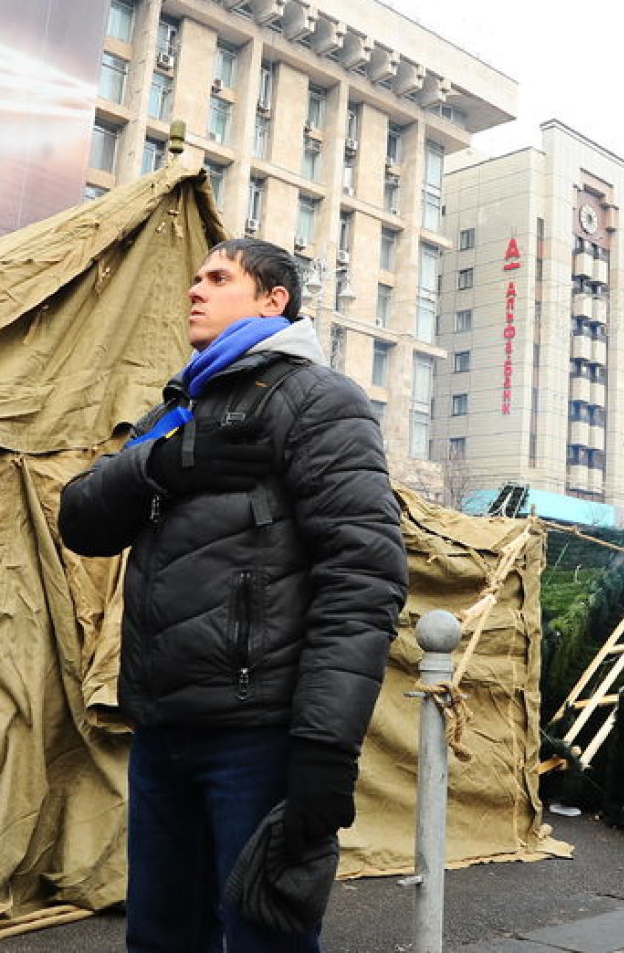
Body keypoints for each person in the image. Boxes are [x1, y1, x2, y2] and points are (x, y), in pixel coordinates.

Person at [58, 237, 409, 952]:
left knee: (261, 937)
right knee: (159, 938)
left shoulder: (320, 400)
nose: (195, 289)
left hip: (262, 738)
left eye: (218, 277)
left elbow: (363, 575)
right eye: (194, 277)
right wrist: (167, 460)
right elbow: (80, 517)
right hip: (163, 730)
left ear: (272, 300)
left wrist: (324, 748)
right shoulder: (180, 406)